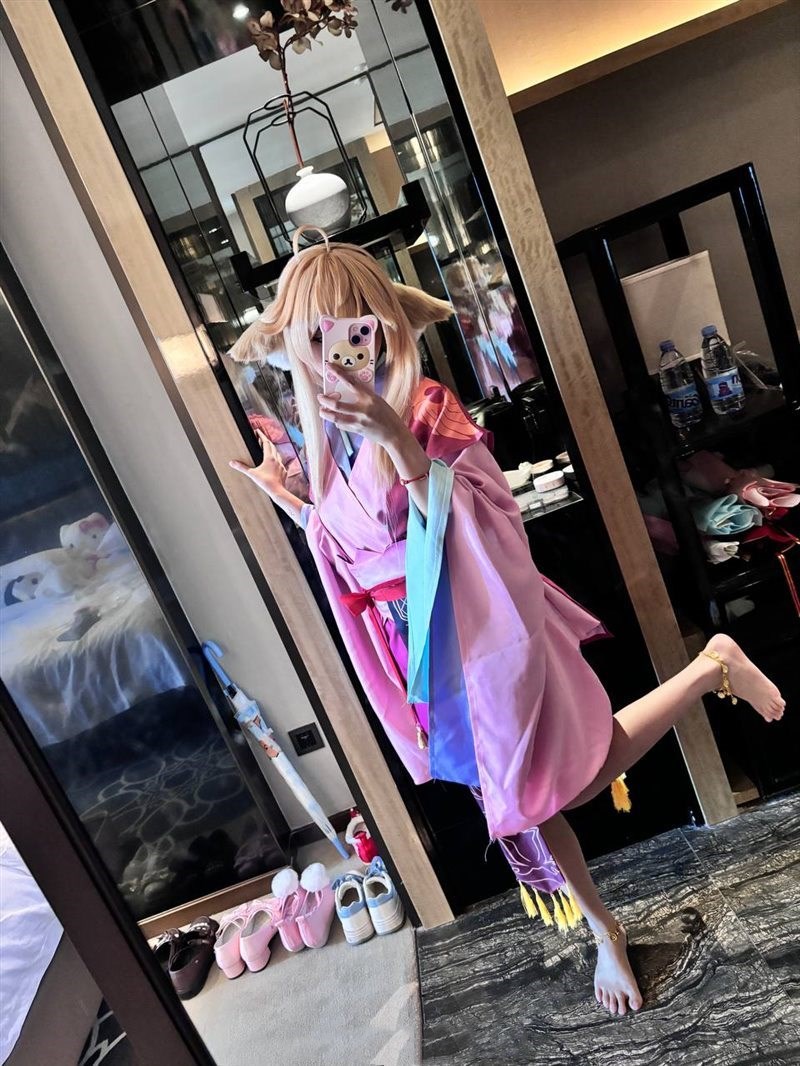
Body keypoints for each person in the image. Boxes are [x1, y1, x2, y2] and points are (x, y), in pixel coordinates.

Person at [228, 233, 785, 1017]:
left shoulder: (422, 407)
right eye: (312, 337)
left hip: (481, 629)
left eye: (349, 327)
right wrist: (288, 495)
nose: (333, 352)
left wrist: (395, 437)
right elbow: (347, 542)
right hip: (420, 650)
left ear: (380, 324)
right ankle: (604, 925)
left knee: (568, 780)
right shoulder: (334, 438)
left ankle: (708, 671)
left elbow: (486, 515)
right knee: (531, 798)